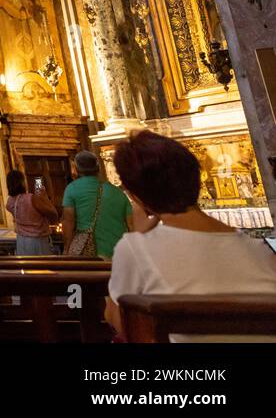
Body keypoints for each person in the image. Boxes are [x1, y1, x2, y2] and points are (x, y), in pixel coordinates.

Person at [105, 131, 276, 341]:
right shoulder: (260, 249)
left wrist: (138, 235)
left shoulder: (136, 248)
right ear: (196, 178)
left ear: (135, 197)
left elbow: (121, 323)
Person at [62, 149, 132, 258]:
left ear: (75, 169)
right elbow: (131, 225)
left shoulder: (72, 189)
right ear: (98, 168)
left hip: (90, 254)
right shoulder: (118, 192)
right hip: (119, 251)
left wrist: (67, 249)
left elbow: (68, 222)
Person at [6, 170, 58, 255]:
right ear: (22, 182)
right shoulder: (32, 199)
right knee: (41, 267)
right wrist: (44, 197)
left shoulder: (10, 201)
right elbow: (53, 214)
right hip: (37, 241)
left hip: (21, 240)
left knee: (26, 266)